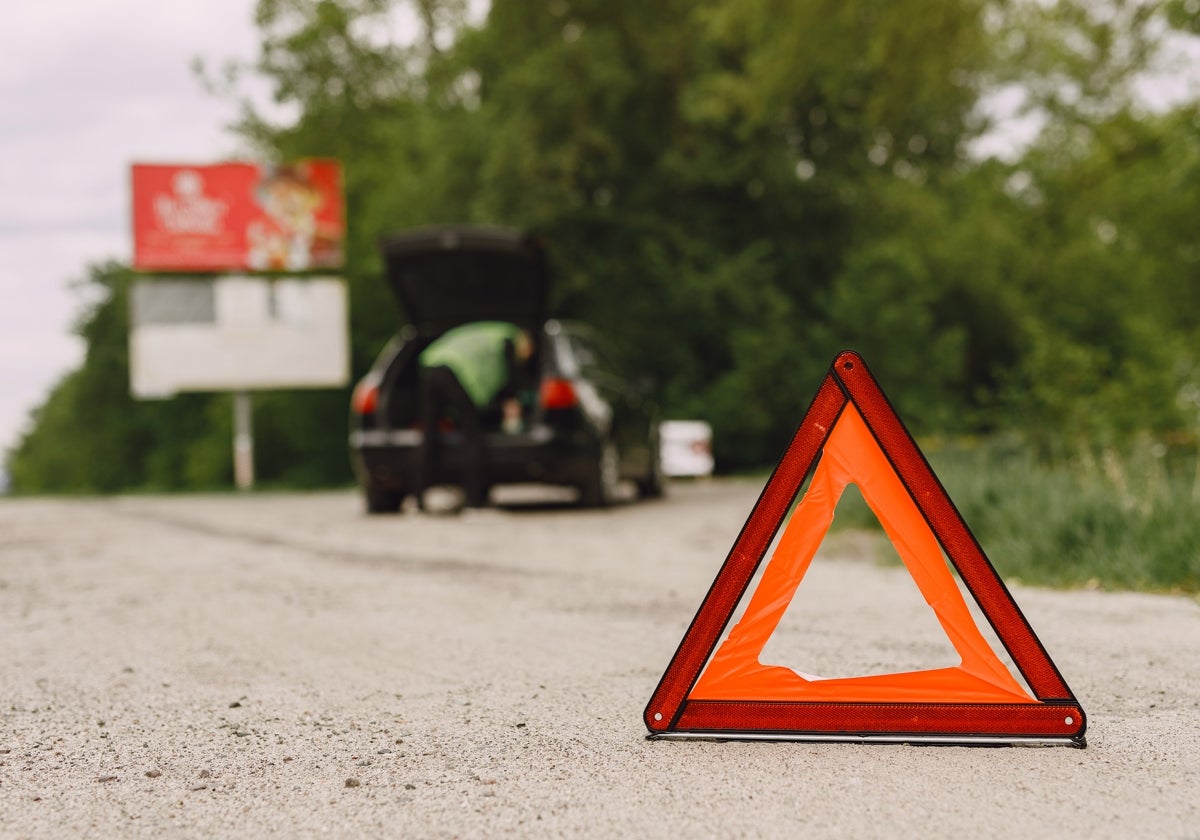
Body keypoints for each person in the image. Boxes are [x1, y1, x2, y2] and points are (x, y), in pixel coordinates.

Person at [415, 321, 534, 510]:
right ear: (526, 341)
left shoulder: (487, 331)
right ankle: (474, 498)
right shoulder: (508, 338)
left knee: (429, 434)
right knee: (473, 434)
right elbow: (512, 377)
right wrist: (513, 401)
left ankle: (419, 499)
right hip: (457, 373)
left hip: (431, 367)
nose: (526, 357)